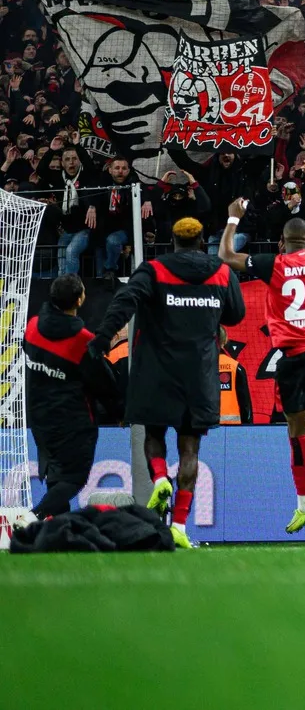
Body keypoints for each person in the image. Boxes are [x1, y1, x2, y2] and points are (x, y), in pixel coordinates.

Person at [94, 216, 245, 548]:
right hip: (199, 375)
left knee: (154, 434)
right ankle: (178, 525)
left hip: (157, 371)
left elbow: (124, 302)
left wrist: (102, 337)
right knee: (190, 448)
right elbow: (236, 315)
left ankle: (160, 477)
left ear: (172, 241)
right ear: (202, 240)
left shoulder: (154, 270)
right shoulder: (221, 272)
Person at [221, 162, 305, 533]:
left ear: (283, 241)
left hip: (293, 358)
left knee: (296, 432)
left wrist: (233, 219)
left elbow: (226, 257)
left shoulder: (273, 265)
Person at [24, 274, 105, 519]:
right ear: (80, 299)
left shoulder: (33, 326)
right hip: (72, 420)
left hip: (39, 416)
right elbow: (103, 384)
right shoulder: (83, 341)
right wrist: (120, 410)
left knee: (56, 474)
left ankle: (59, 529)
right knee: (73, 478)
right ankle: (33, 516)